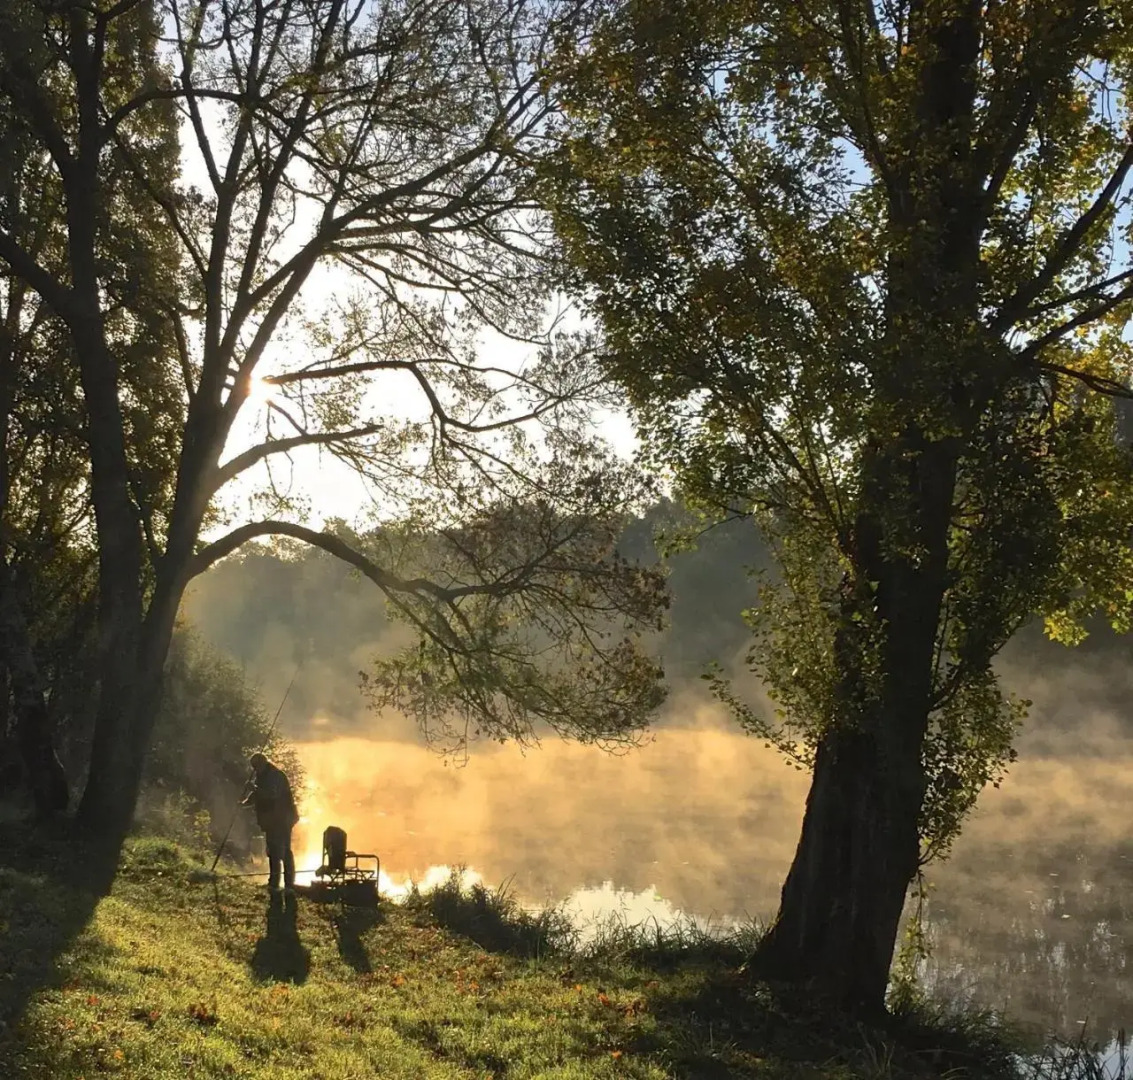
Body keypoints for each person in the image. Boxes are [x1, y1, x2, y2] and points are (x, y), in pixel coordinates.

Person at [242, 752, 299, 893]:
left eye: (256, 767)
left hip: (283, 819)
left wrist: (253, 788)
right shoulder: (262, 776)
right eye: (253, 768)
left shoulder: (276, 776)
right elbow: (257, 795)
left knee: (284, 851)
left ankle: (289, 885)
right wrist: (245, 803)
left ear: (262, 764)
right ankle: (274, 883)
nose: (255, 770)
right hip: (271, 821)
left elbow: (271, 795)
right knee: (272, 851)